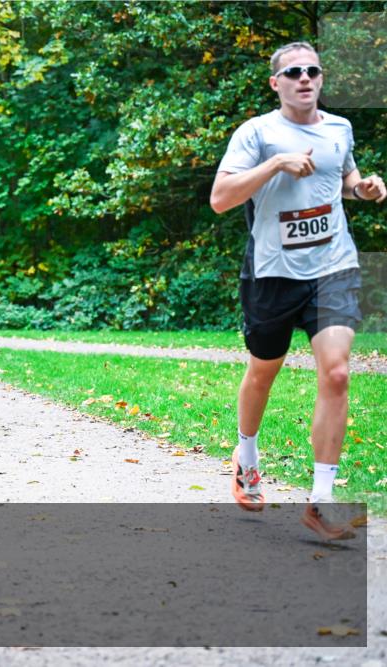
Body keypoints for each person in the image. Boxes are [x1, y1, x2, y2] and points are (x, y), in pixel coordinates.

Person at [210, 41, 385, 540]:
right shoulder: (257, 133)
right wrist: (275, 165)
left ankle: (321, 501)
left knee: (336, 372)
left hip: (333, 266)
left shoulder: (339, 129)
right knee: (263, 371)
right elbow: (221, 199)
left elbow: (343, 179)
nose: (304, 79)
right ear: (276, 83)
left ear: (321, 78)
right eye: (293, 72)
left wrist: (364, 188)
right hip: (272, 272)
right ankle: (246, 459)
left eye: (312, 71)